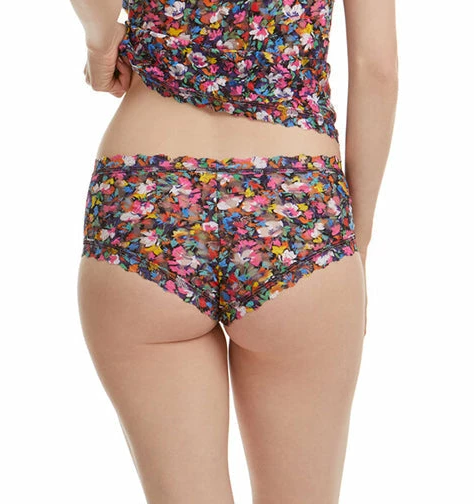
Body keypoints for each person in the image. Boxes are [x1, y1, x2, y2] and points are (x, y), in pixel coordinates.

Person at [71, 0, 398, 502]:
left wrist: (100, 38)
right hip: (297, 211)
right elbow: (377, 69)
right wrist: (357, 243)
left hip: (145, 200)